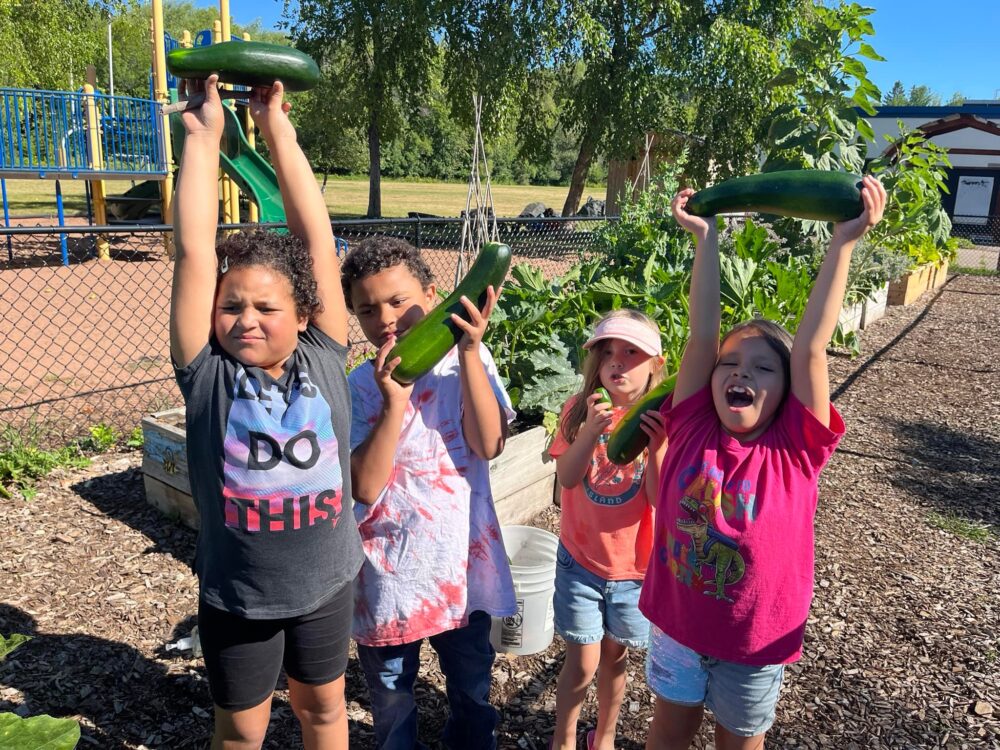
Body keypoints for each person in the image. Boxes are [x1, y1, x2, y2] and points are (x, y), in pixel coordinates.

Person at [641, 176, 886, 750]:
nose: (741, 373)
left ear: (786, 392)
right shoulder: (694, 421)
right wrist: (705, 238)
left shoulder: (796, 449)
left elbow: (810, 347)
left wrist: (844, 243)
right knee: (665, 739)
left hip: (755, 644)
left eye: (762, 368)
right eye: (730, 363)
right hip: (680, 629)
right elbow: (702, 335)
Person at [169, 75, 363, 750]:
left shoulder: (324, 355)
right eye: (231, 306)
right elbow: (196, 250)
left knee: (324, 713)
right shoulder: (208, 376)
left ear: (305, 316)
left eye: (266, 307)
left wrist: (278, 128)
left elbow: (316, 241)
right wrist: (202, 137)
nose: (246, 318)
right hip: (239, 597)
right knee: (242, 733)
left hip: (326, 585)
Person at [340, 236, 516, 750]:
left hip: (459, 569)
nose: (386, 319)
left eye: (398, 301)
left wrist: (470, 352)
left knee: (472, 689)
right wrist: (394, 403)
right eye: (367, 309)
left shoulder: (470, 366)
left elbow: (488, 444)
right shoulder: (360, 386)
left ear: (436, 296)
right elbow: (366, 486)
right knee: (392, 697)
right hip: (387, 575)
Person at [548, 309, 668, 750]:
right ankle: (563, 737)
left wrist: (657, 450)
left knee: (615, 661)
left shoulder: (661, 423)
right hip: (579, 560)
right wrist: (589, 431)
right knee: (581, 663)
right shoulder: (579, 410)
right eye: (608, 353)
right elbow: (566, 478)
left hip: (633, 572)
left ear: (656, 365)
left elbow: (658, 499)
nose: (617, 362)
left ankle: (605, 734)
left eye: (631, 352)